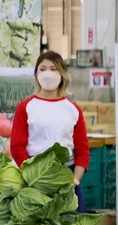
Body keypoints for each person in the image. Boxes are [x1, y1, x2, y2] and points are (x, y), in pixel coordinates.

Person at [11, 50, 90, 211]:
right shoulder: (25, 107)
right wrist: (35, 177)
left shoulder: (73, 109)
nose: (48, 73)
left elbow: (82, 150)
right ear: (36, 74)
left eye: (53, 69)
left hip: (66, 178)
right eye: (43, 68)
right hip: (34, 178)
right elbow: (17, 148)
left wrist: (74, 180)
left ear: (62, 74)